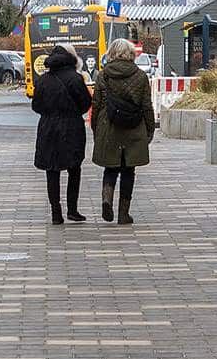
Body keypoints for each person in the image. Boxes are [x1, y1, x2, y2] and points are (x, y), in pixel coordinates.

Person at [91, 36, 156, 224]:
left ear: (111, 53)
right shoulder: (140, 76)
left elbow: (96, 105)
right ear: (131, 54)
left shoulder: (103, 75)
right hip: (133, 126)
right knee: (128, 170)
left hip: (108, 124)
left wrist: (96, 128)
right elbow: (146, 106)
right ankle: (123, 214)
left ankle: (106, 199)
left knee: (110, 167)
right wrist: (149, 129)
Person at [30, 44, 91, 225]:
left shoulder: (43, 80)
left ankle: (56, 212)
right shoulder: (76, 78)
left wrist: (50, 114)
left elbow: (36, 106)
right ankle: (72, 210)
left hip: (48, 127)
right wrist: (73, 113)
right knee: (74, 168)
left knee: (52, 170)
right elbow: (85, 103)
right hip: (72, 127)